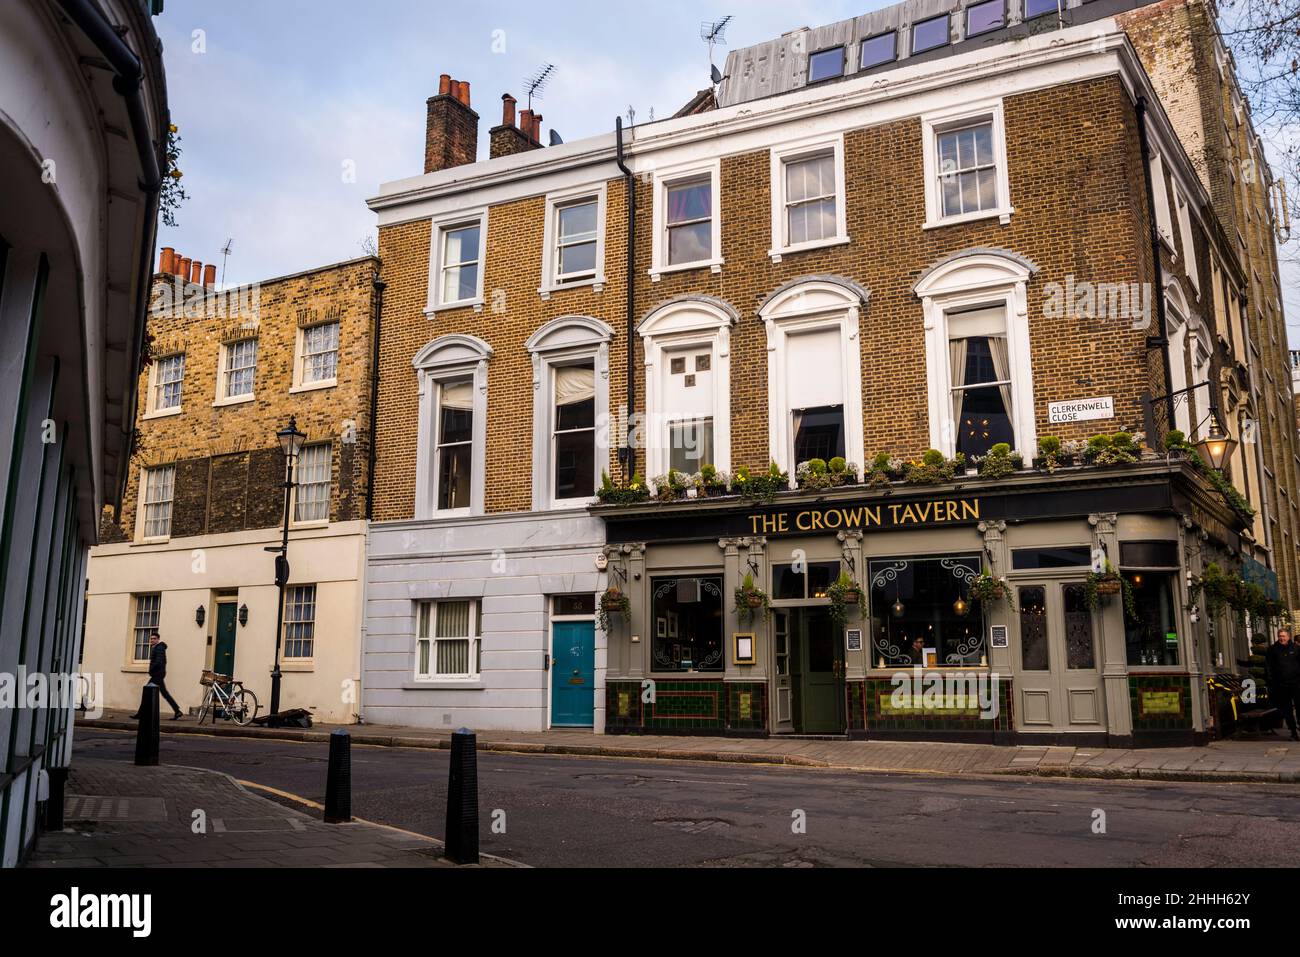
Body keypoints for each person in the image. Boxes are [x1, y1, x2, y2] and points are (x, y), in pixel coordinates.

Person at [129, 632, 183, 721]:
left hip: (157, 675)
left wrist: (151, 670)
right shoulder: (157, 648)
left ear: (158, 639)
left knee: (147, 693)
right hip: (158, 674)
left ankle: (140, 714)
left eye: (154, 638)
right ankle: (177, 711)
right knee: (164, 693)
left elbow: (159, 662)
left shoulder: (159, 648)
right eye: (151, 638)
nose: (152, 640)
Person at [1264, 628, 1300, 741]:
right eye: (1280, 636)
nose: (1281, 638)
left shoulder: (1296, 648)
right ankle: (1293, 732)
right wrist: (1271, 681)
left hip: (1297, 683)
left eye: (1283, 636)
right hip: (1281, 685)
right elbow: (1268, 666)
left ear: (1288, 637)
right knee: (1287, 710)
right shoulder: (1272, 649)